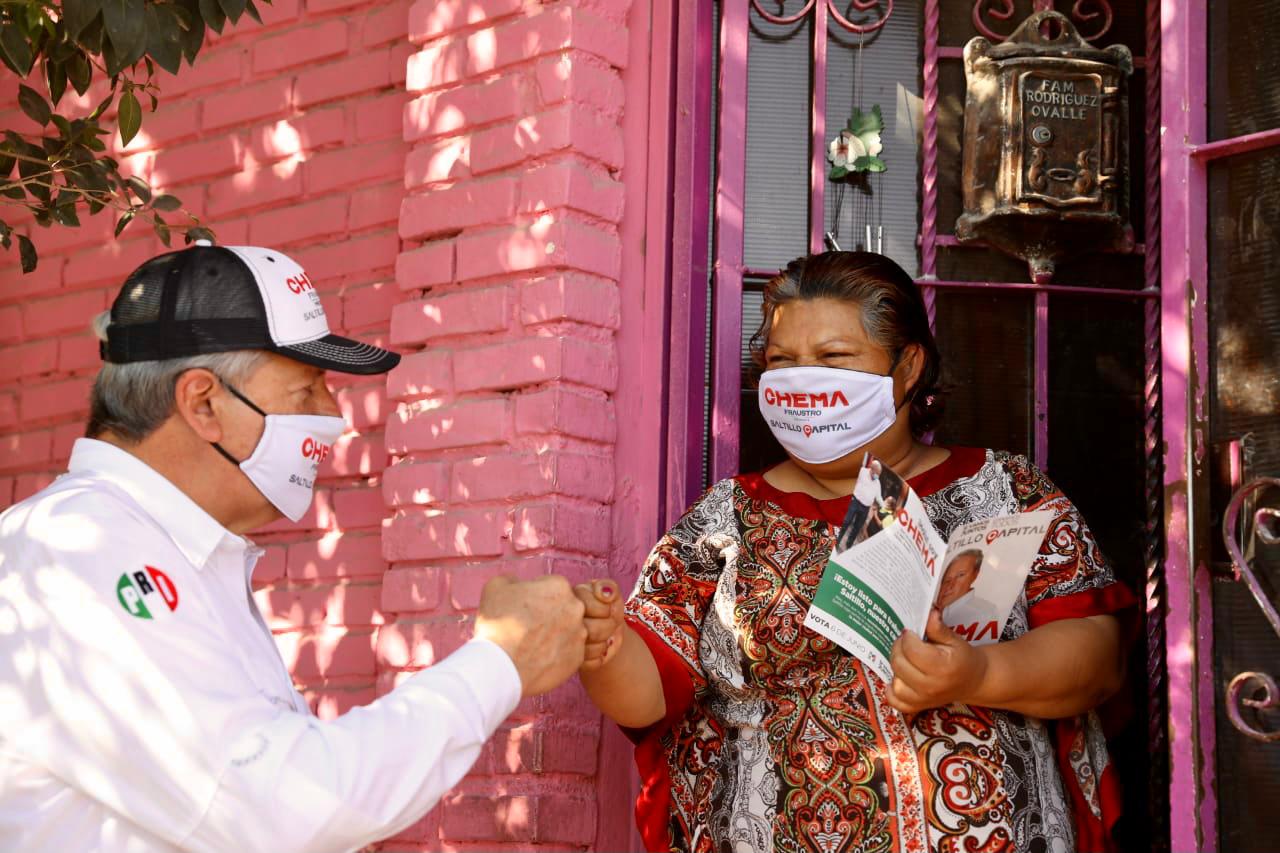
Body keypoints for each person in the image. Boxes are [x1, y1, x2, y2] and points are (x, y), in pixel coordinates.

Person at [0, 243, 588, 852]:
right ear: (203, 403)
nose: (333, 416)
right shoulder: (77, 548)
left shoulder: (171, 552)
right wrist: (500, 661)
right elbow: (285, 807)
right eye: (306, 392)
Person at [575, 252, 1134, 853]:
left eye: (833, 357)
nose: (803, 380)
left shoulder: (1008, 491)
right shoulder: (723, 520)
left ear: (908, 367)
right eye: (782, 360)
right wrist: (604, 647)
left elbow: (1096, 660)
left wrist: (980, 673)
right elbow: (650, 694)